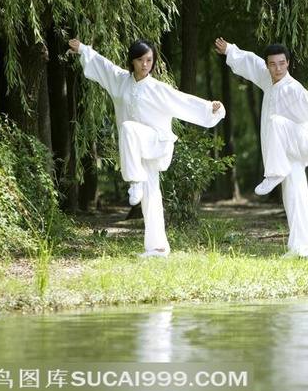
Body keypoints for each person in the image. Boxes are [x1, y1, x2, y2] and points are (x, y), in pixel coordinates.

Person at [69, 38, 225, 257]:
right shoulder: (120, 81)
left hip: (156, 141)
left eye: (149, 60)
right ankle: (157, 247)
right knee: (151, 194)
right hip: (135, 148)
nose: (145, 64)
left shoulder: (157, 88)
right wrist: (83, 49)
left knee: (128, 128)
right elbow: (103, 65)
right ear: (132, 61)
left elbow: (183, 101)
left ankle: (134, 181)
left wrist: (211, 108)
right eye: (140, 59)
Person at [214, 37, 308, 258]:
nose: (277, 68)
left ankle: (273, 174)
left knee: (275, 121)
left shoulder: (293, 88)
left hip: (301, 141)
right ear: (268, 65)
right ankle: (300, 249)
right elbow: (251, 62)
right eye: (272, 64)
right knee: (294, 197)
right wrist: (230, 51)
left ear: (288, 63)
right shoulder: (267, 78)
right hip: (286, 153)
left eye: (282, 63)